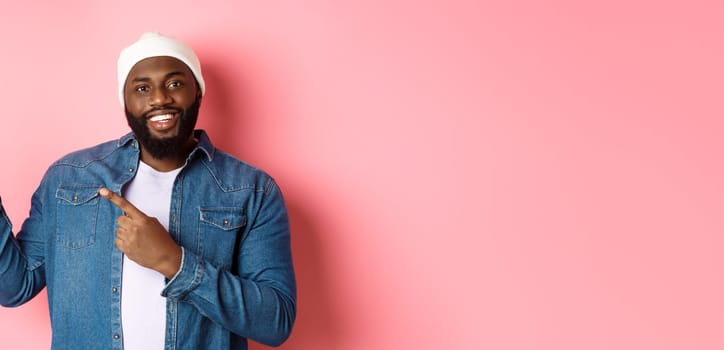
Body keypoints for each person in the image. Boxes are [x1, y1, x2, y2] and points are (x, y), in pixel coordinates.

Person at [0, 32, 296, 349]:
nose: (159, 98)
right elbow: (14, 287)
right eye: (142, 88)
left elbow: (275, 322)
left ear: (198, 93)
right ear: (124, 101)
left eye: (174, 84)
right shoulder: (69, 179)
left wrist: (174, 262)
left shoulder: (252, 190)